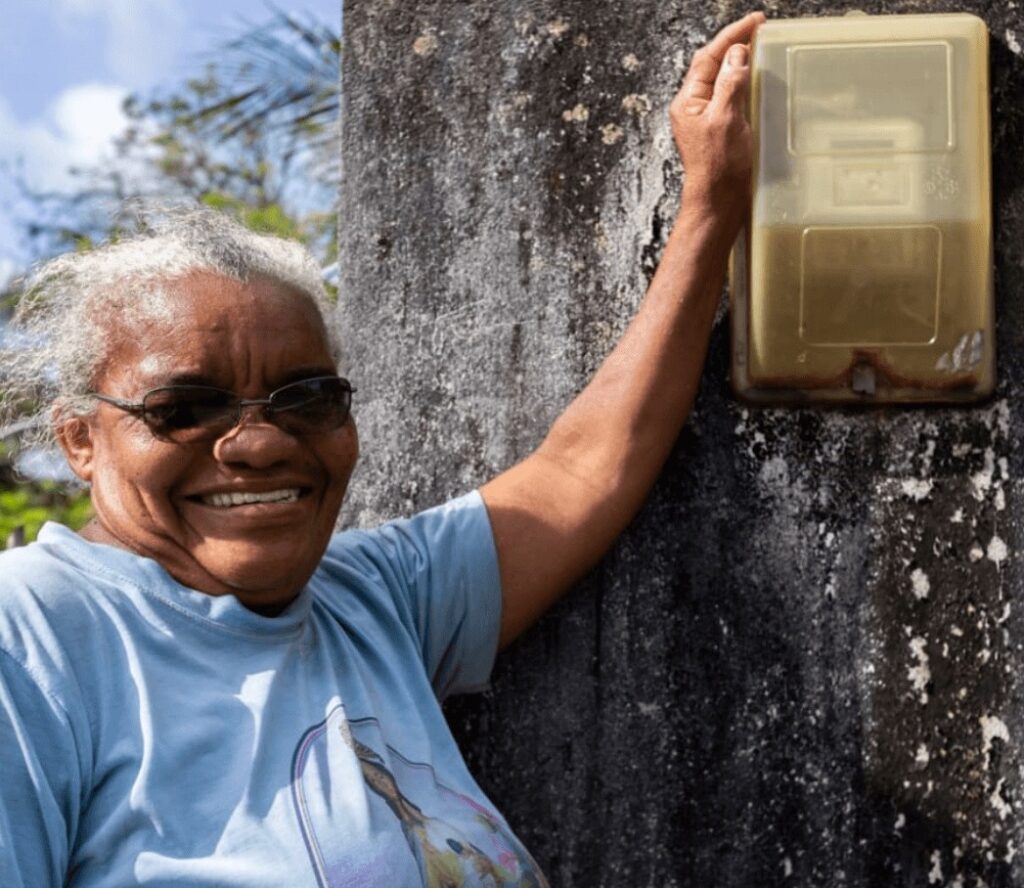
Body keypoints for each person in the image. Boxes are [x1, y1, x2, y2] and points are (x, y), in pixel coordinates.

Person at [0, 12, 764, 887]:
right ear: (80, 440)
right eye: (186, 407)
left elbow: (581, 470)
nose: (256, 442)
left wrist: (711, 210)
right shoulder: (32, 639)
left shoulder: (368, 602)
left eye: (306, 398)